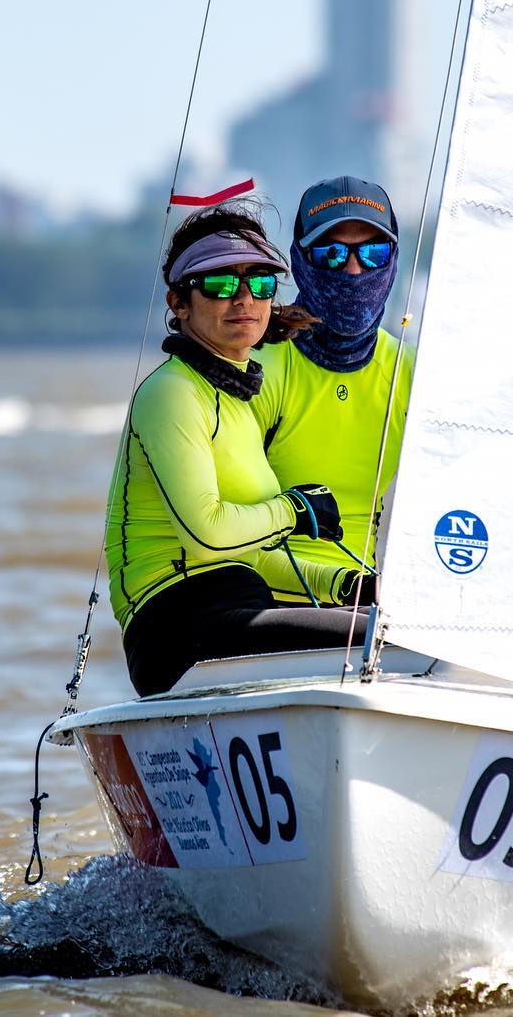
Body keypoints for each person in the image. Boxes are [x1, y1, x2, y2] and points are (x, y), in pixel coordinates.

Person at [106, 203, 369, 696]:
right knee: (384, 642)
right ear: (179, 302)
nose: (244, 298)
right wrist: (292, 511)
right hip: (174, 629)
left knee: (389, 625)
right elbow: (208, 536)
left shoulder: (238, 403)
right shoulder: (172, 393)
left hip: (238, 611)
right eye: (220, 284)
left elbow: (254, 556)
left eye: (260, 284)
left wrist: (350, 585)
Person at [252, 175, 414, 602]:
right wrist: (344, 586)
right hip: (263, 605)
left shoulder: (412, 372)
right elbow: (217, 532)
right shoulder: (256, 367)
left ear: (394, 259)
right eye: (332, 254)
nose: (353, 270)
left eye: (373, 253)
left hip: (371, 607)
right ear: (300, 261)